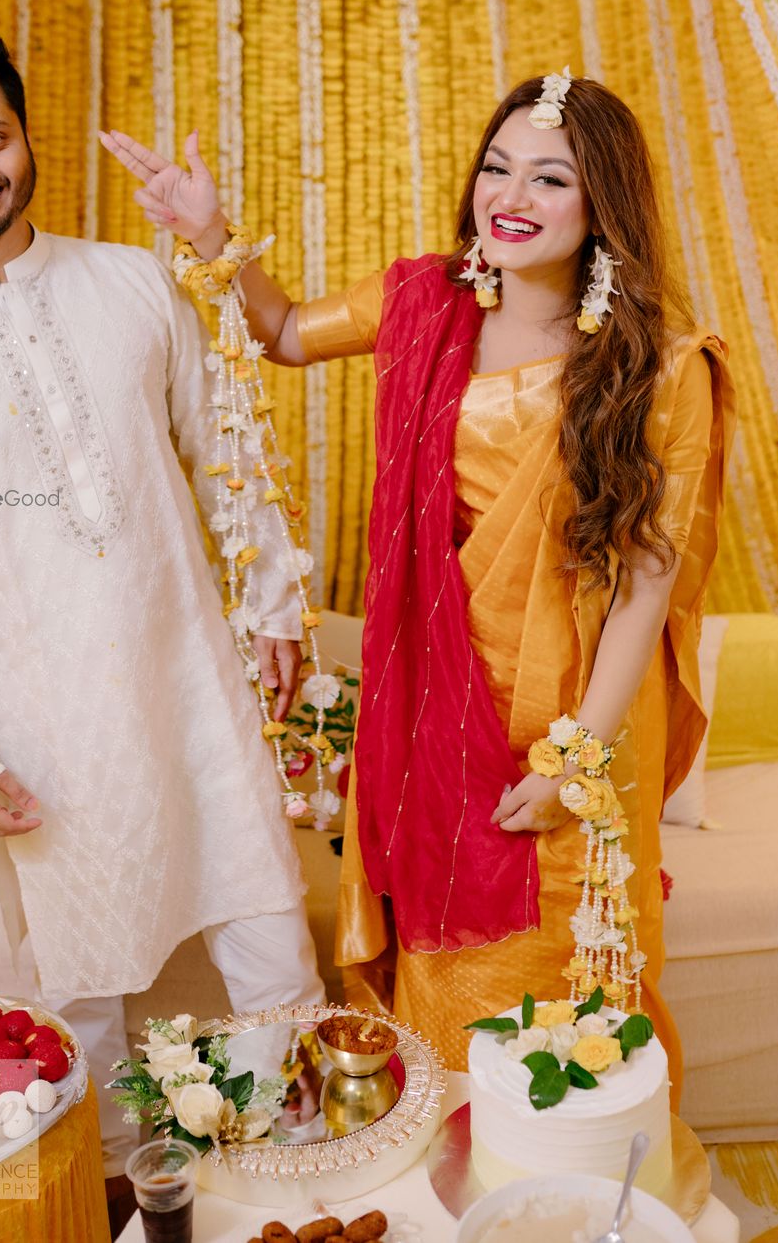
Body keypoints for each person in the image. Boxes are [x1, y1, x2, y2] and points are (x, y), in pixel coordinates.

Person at [99, 72, 736, 1091]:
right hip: (439, 702)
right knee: (445, 971)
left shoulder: (660, 366)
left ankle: (568, 1195)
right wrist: (209, 232)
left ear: (601, 200)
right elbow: (287, 333)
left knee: (567, 987)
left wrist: (575, 757)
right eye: (495, 167)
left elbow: (644, 588)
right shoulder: (423, 304)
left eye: (549, 176)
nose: (510, 195)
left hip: (579, 715)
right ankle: (455, 1178)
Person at [0, 28, 324, 1192]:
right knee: (85, 996)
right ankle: (126, 1202)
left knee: (272, 948)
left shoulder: (129, 280)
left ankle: (304, 1178)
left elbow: (222, 448)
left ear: (25, 136)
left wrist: (270, 597)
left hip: (191, 683)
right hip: (42, 726)